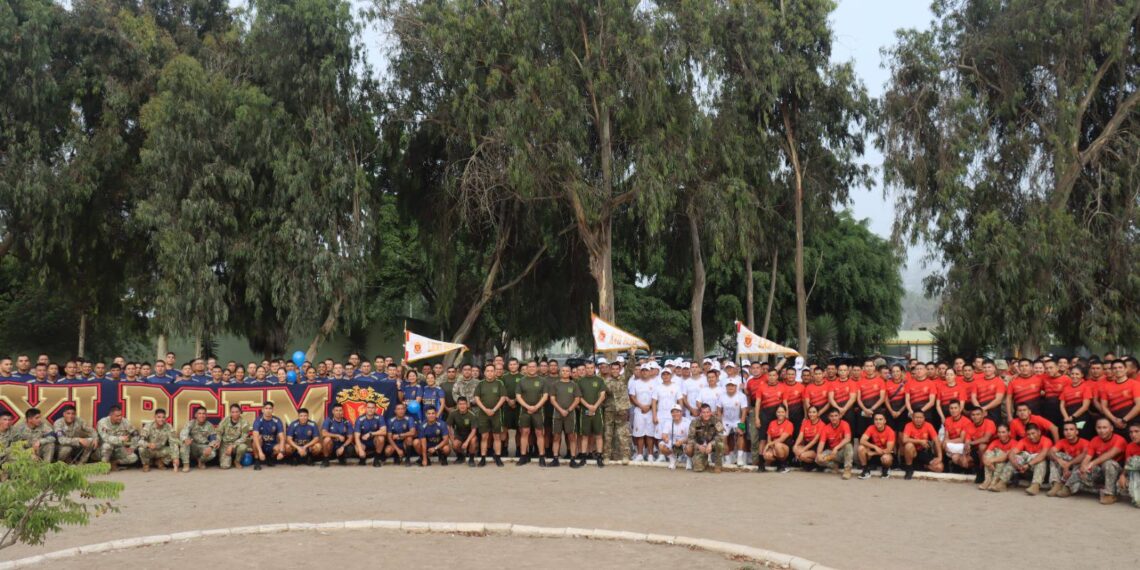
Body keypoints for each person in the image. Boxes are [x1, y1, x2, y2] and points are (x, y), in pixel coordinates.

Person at [1061, 418, 1125, 504]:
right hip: (1101, 471)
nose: (1102, 431)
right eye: (1099, 428)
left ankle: (1110, 494)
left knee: (1108, 463)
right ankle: (1068, 487)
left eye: (1104, 427)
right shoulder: (1094, 440)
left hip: (1117, 473)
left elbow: (1110, 454)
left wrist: (1092, 463)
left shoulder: (1119, 440)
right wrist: (1083, 467)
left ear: (1111, 428)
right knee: (1081, 469)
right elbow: (1087, 457)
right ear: (1096, 429)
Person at [514, 361, 549, 467]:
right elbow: (518, 396)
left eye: (534, 366)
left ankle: (541, 456)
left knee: (539, 433)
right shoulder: (521, 381)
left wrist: (536, 407)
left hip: (538, 411)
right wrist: (528, 407)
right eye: (530, 367)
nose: (532, 368)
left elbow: (545, 396)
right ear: (527, 368)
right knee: (524, 432)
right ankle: (523, 456)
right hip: (525, 411)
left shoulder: (542, 381)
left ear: (537, 368)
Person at [473, 363, 508, 466]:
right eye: (487, 371)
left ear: (494, 372)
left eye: (492, 371)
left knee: (497, 436)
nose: (490, 373)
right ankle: (483, 458)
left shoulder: (499, 383)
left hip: (496, 413)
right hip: (483, 414)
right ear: (484, 373)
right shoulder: (480, 384)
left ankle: (498, 457)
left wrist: (494, 409)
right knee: (484, 436)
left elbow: (503, 397)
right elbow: (477, 398)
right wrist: (485, 409)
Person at [549, 365, 583, 468]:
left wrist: (568, 410)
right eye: (563, 371)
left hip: (570, 414)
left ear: (570, 373)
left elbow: (577, 399)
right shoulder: (555, 384)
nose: (565, 372)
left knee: (572, 437)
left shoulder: (574, 385)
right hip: (557, 414)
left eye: (567, 371)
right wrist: (561, 410)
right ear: (560, 372)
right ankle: (555, 458)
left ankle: (572, 459)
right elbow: (552, 399)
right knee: (556, 437)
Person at [603, 355, 634, 465]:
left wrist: (632, 355)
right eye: (613, 369)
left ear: (620, 369)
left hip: (622, 410)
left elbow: (630, 368)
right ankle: (606, 456)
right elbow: (602, 395)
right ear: (610, 370)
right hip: (609, 410)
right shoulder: (606, 381)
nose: (615, 371)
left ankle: (625, 455)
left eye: (617, 369)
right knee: (608, 433)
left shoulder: (624, 378)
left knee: (623, 433)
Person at [576, 362, 607, 467]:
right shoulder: (580, 381)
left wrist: (594, 406)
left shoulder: (599, 380)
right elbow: (579, 397)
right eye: (587, 368)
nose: (589, 370)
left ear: (595, 368)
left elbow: (602, 395)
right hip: (584, 412)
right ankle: (584, 457)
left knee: (598, 435)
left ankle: (599, 457)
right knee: (585, 436)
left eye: (591, 368)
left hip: (597, 412)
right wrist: (588, 406)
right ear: (585, 369)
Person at [1046, 420, 1088, 497]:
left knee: (1082, 462)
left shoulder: (1084, 442)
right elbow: (1050, 452)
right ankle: (1056, 484)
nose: (1068, 432)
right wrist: (1059, 460)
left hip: (1077, 468)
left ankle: (1067, 488)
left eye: (1071, 429)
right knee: (1055, 456)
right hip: (1066, 468)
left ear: (1076, 432)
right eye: (1066, 430)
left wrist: (1069, 464)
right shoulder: (1062, 441)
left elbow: (1085, 455)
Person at [1008, 423, 1052, 494]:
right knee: (1016, 457)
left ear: (1039, 432)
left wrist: (1028, 465)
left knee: (1040, 460)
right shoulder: (1023, 440)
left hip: (1044, 471)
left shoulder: (1046, 441)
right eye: (1028, 434)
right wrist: (1016, 465)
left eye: (1033, 433)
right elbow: (1011, 453)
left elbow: (1043, 455)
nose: (1031, 436)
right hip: (1027, 469)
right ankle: (1002, 482)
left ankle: (1035, 486)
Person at [1100, 360, 1139, 436]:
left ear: (1125, 369)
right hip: (1114, 423)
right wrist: (1114, 420)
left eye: (1120, 367)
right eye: (1114, 368)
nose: (1117, 370)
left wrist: (1124, 420)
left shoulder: (1135, 384)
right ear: (1112, 371)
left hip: (1133, 422)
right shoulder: (1106, 387)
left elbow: (1138, 405)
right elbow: (1104, 407)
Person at [901, 410, 943, 479]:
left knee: (940, 467)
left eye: (921, 417)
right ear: (912, 418)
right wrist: (920, 441)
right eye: (916, 417)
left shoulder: (928, 425)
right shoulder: (908, 425)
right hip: (913, 453)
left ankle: (923, 466)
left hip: (924, 452)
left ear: (924, 418)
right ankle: (909, 469)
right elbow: (904, 440)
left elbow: (936, 441)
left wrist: (940, 457)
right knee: (908, 445)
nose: (918, 420)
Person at [717, 380, 749, 467]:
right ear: (726, 387)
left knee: (741, 435)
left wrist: (741, 425)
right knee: (722, 438)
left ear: (736, 387)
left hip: (738, 420)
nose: (730, 387)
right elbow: (719, 410)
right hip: (725, 420)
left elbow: (744, 411)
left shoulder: (741, 396)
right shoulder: (721, 396)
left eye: (733, 385)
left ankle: (740, 458)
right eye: (728, 385)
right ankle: (727, 460)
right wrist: (720, 424)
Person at [97, 405, 139, 471]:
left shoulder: (125, 422)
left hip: (118, 449)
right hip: (104, 450)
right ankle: (104, 465)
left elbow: (135, 434)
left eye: (120, 415)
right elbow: (105, 438)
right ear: (110, 415)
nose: (120, 418)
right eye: (117, 416)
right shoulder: (102, 422)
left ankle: (114, 463)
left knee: (133, 457)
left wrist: (132, 447)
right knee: (107, 446)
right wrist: (119, 439)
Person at [816, 409, 854, 479]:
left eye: (836, 416)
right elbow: (821, 443)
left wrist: (836, 448)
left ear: (840, 416)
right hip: (833, 454)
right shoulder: (826, 428)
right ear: (829, 417)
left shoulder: (845, 424)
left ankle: (847, 470)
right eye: (832, 416)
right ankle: (834, 466)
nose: (834, 418)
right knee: (818, 459)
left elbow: (848, 438)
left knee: (848, 445)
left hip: (843, 452)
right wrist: (819, 454)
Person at [138, 408, 180, 472]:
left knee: (173, 449)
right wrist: (148, 444)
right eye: (159, 417)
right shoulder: (148, 426)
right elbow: (140, 441)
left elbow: (173, 442)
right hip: (150, 450)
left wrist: (175, 457)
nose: (161, 419)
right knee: (141, 449)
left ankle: (160, 462)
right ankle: (146, 464)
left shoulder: (169, 426)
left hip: (161, 450)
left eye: (163, 417)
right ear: (155, 417)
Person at [688, 403, 725, 473]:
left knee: (720, 444)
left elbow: (720, 435)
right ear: (700, 413)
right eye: (703, 412)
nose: (706, 414)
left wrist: (711, 444)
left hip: (713, 444)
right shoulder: (694, 422)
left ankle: (718, 465)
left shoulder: (717, 420)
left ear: (710, 412)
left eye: (708, 412)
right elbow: (690, 438)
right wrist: (698, 446)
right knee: (698, 469)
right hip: (700, 446)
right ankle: (704, 462)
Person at [979, 424, 1018, 492]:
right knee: (988, 454)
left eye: (1003, 432)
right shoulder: (995, 442)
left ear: (1009, 433)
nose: (1001, 434)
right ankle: (987, 480)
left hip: (1007, 468)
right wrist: (989, 463)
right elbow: (986, 454)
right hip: (994, 465)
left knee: (1000, 455)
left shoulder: (1014, 443)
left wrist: (991, 461)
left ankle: (995, 481)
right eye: (999, 432)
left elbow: (1005, 457)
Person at [857, 412, 895, 479]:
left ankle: (886, 469)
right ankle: (865, 470)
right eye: (876, 419)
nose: (878, 421)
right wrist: (875, 447)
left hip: (884, 454)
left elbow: (888, 450)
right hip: (874, 452)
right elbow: (862, 440)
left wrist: (873, 453)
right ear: (874, 421)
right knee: (861, 448)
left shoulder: (890, 431)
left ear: (885, 421)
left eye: (880, 419)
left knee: (886, 458)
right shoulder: (871, 428)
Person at [180, 407, 218, 471]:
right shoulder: (191, 423)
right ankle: (186, 464)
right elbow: (184, 432)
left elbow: (213, 438)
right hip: (193, 446)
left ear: (206, 415)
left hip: (203, 447)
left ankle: (201, 461)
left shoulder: (209, 425)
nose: (201, 415)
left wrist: (210, 447)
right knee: (184, 443)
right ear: (196, 415)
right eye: (199, 413)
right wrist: (185, 439)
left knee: (212, 453)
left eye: (203, 414)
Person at [252, 402, 285, 470]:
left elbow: (282, 438)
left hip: (273, 444)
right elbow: (255, 436)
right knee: (257, 439)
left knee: (280, 447)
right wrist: (260, 452)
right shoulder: (258, 420)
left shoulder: (277, 420)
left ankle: (271, 457)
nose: (268, 410)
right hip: (262, 445)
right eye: (266, 408)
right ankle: (257, 460)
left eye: (270, 408)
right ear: (263, 410)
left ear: (273, 410)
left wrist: (281, 452)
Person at [217, 404, 252, 469]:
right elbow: (219, 432)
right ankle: (224, 458)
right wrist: (218, 441)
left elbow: (243, 438)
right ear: (230, 413)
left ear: (240, 412)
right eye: (233, 412)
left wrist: (232, 445)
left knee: (243, 447)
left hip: (237, 445)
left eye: (237, 412)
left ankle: (237, 461)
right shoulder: (225, 420)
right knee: (225, 466)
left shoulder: (245, 423)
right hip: (225, 444)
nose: (235, 414)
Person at [446, 397, 479, 466]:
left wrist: (467, 442)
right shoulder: (453, 413)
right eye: (460, 404)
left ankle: (471, 459)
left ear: (467, 405)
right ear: (457, 405)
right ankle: (461, 456)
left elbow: (474, 430)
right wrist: (452, 440)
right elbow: (448, 426)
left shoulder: (472, 415)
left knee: (473, 440)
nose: (462, 406)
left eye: (464, 404)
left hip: (469, 435)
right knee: (455, 444)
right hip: (459, 435)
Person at [353, 402, 387, 467]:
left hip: (374, 441)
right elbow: (356, 437)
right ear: (365, 408)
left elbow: (384, 431)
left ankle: (376, 459)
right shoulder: (360, 419)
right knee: (357, 449)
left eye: (372, 408)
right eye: (368, 407)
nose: (370, 409)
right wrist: (360, 450)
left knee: (381, 438)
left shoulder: (379, 417)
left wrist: (370, 434)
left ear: (375, 409)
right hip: (363, 443)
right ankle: (362, 459)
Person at [656, 405, 691, 470]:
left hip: (684, 443)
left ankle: (689, 459)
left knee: (690, 447)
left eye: (677, 412)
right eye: (673, 412)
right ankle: (672, 459)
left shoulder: (687, 422)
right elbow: (664, 434)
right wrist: (665, 438)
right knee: (661, 445)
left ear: (681, 412)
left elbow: (690, 437)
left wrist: (681, 441)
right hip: (674, 443)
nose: (675, 414)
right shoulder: (668, 422)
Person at [319, 403, 354, 467]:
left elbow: (350, 437)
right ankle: (326, 459)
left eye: (340, 410)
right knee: (326, 439)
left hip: (341, 445)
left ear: (343, 411)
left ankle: (341, 457)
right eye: (336, 410)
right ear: (333, 411)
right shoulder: (328, 420)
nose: (338, 412)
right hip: (332, 445)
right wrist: (337, 435)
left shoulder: (347, 422)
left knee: (351, 449)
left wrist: (343, 447)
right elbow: (324, 433)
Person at [762, 405, 794, 473]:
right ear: (776, 413)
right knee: (767, 456)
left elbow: (781, 439)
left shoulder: (789, 424)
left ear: (785, 413)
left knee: (778, 445)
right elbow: (769, 438)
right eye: (778, 412)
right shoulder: (772, 423)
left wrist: (768, 445)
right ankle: (777, 463)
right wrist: (770, 447)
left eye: (782, 412)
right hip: (773, 446)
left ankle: (783, 465)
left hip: (784, 448)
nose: (780, 414)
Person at [1119, 422, 1140, 508]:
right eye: (1131, 432)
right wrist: (1123, 475)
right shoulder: (1130, 446)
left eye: (1136, 431)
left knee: (1135, 460)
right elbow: (1128, 463)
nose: (1133, 434)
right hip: (1136, 474)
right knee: (1119, 485)